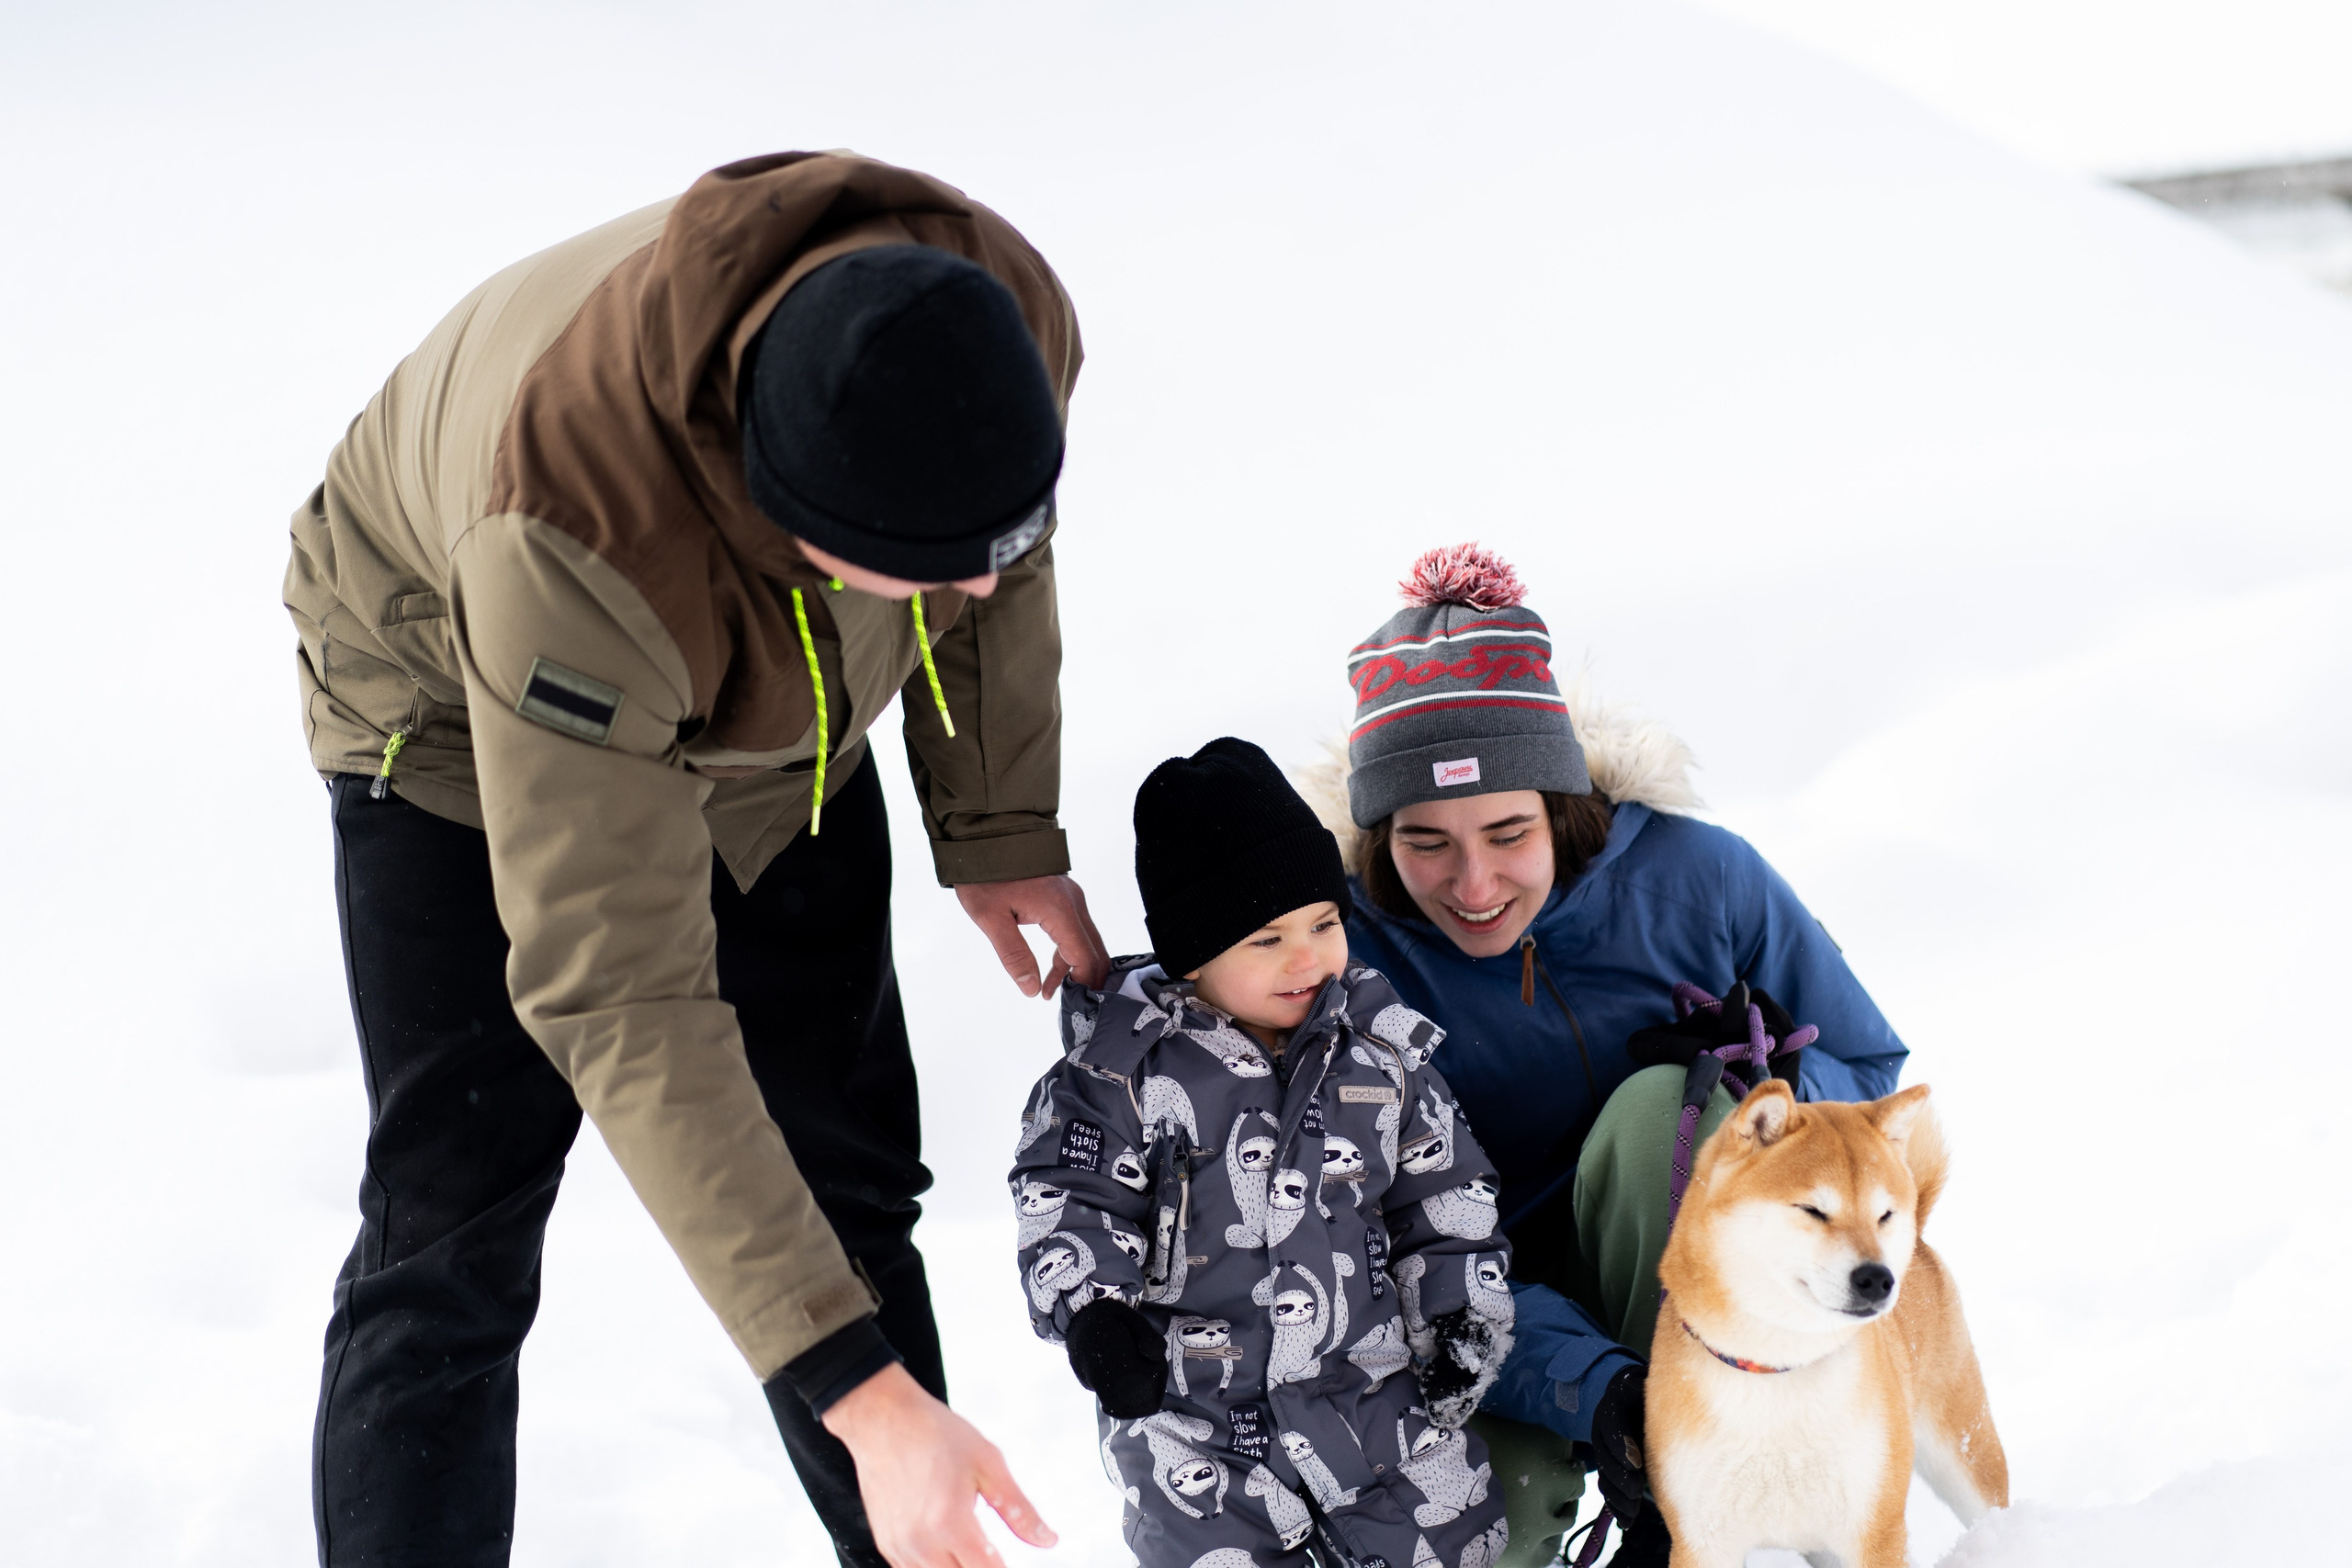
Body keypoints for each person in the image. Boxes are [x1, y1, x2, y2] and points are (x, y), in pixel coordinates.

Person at [282, 152, 1111, 1568]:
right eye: (931, 564)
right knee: (455, 1226)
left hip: (781, 705)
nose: (977, 585)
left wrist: (996, 824)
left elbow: (995, 553)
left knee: (846, 1179)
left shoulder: (988, 320)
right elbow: (626, 998)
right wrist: (860, 1394)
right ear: (804, 528)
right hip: (454, 720)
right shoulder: (568, 537)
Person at [1306, 545, 1908, 1568]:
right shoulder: (1345, 963)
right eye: (1424, 843)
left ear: (1561, 804)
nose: (1474, 882)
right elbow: (1385, 1249)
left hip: (1702, 1295)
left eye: (1506, 831)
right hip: (1466, 1309)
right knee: (1500, 1508)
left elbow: (1868, 1067)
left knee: (1664, 1105)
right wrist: (1610, 1398)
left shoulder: (1697, 880)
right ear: (1377, 836)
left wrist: (1783, 1097)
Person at [1009, 739, 1518, 1568]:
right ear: (1195, 955)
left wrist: (1462, 1315)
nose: (1308, 956)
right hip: (1195, 1424)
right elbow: (1067, 1196)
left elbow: (1443, 1192)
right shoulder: (1121, 1074)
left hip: (1374, 1399)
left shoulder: (1378, 1058)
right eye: (1267, 938)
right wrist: (1095, 1315)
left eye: (1323, 923)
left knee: (1450, 1539)